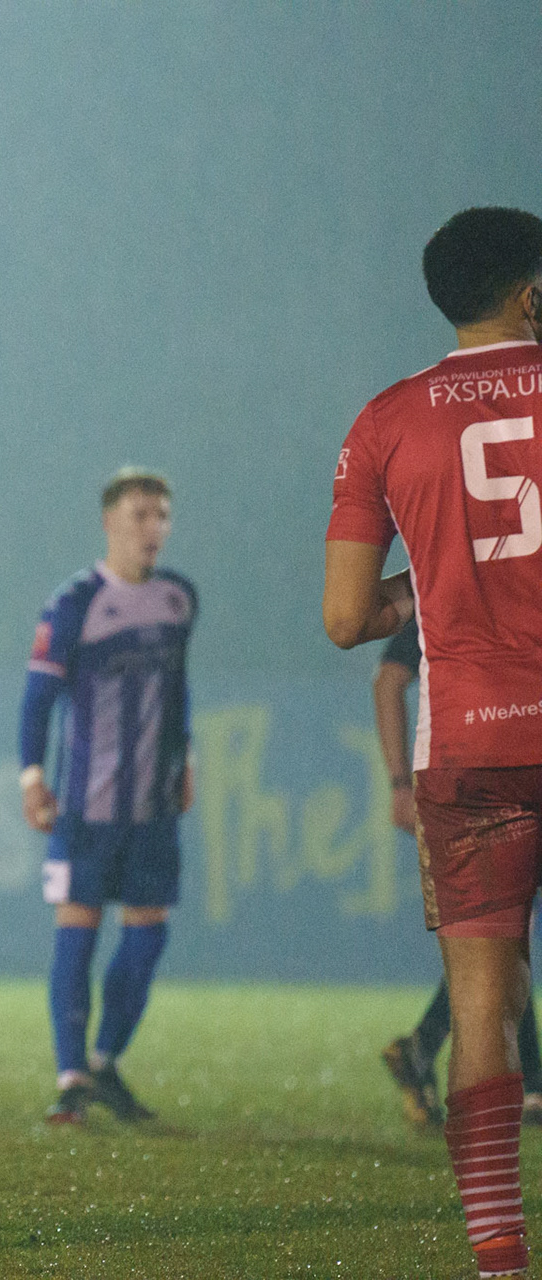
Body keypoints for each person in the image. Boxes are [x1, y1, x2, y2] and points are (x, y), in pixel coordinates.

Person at [324, 206, 542, 1280]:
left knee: (481, 1011)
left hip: (470, 744)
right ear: (531, 295)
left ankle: (499, 1254)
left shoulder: (385, 419)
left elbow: (345, 617)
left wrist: (430, 584)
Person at [19, 469, 196, 1125]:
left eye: (162, 515)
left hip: (152, 809)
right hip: (86, 809)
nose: (153, 527)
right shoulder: (75, 603)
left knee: (148, 936)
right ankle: (70, 1079)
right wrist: (32, 777)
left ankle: (103, 1063)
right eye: (140, 514)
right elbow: (38, 698)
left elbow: (178, 689)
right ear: (109, 522)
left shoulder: (178, 599)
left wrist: (188, 755)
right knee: (78, 930)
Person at [375, 617, 542, 1131]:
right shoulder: (451, 590)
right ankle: (527, 1085)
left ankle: (426, 1047)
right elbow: (387, 677)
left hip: (505, 769)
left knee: (503, 931)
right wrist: (399, 784)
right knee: (504, 930)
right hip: (481, 775)